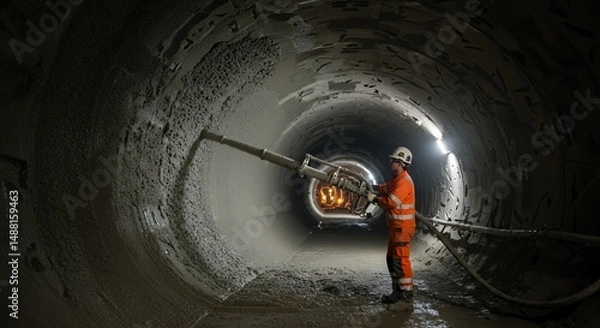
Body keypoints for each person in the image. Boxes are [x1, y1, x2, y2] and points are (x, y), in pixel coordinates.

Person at [368, 146, 416, 311]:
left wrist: (375, 199)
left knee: (400, 263)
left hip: (402, 229)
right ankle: (396, 293)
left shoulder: (404, 182)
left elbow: (391, 202)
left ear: (402, 163)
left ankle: (406, 299)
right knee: (391, 260)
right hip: (395, 228)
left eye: (394, 160)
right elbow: (385, 188)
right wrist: (372, 187)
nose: (391, 162)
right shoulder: (397, 179)